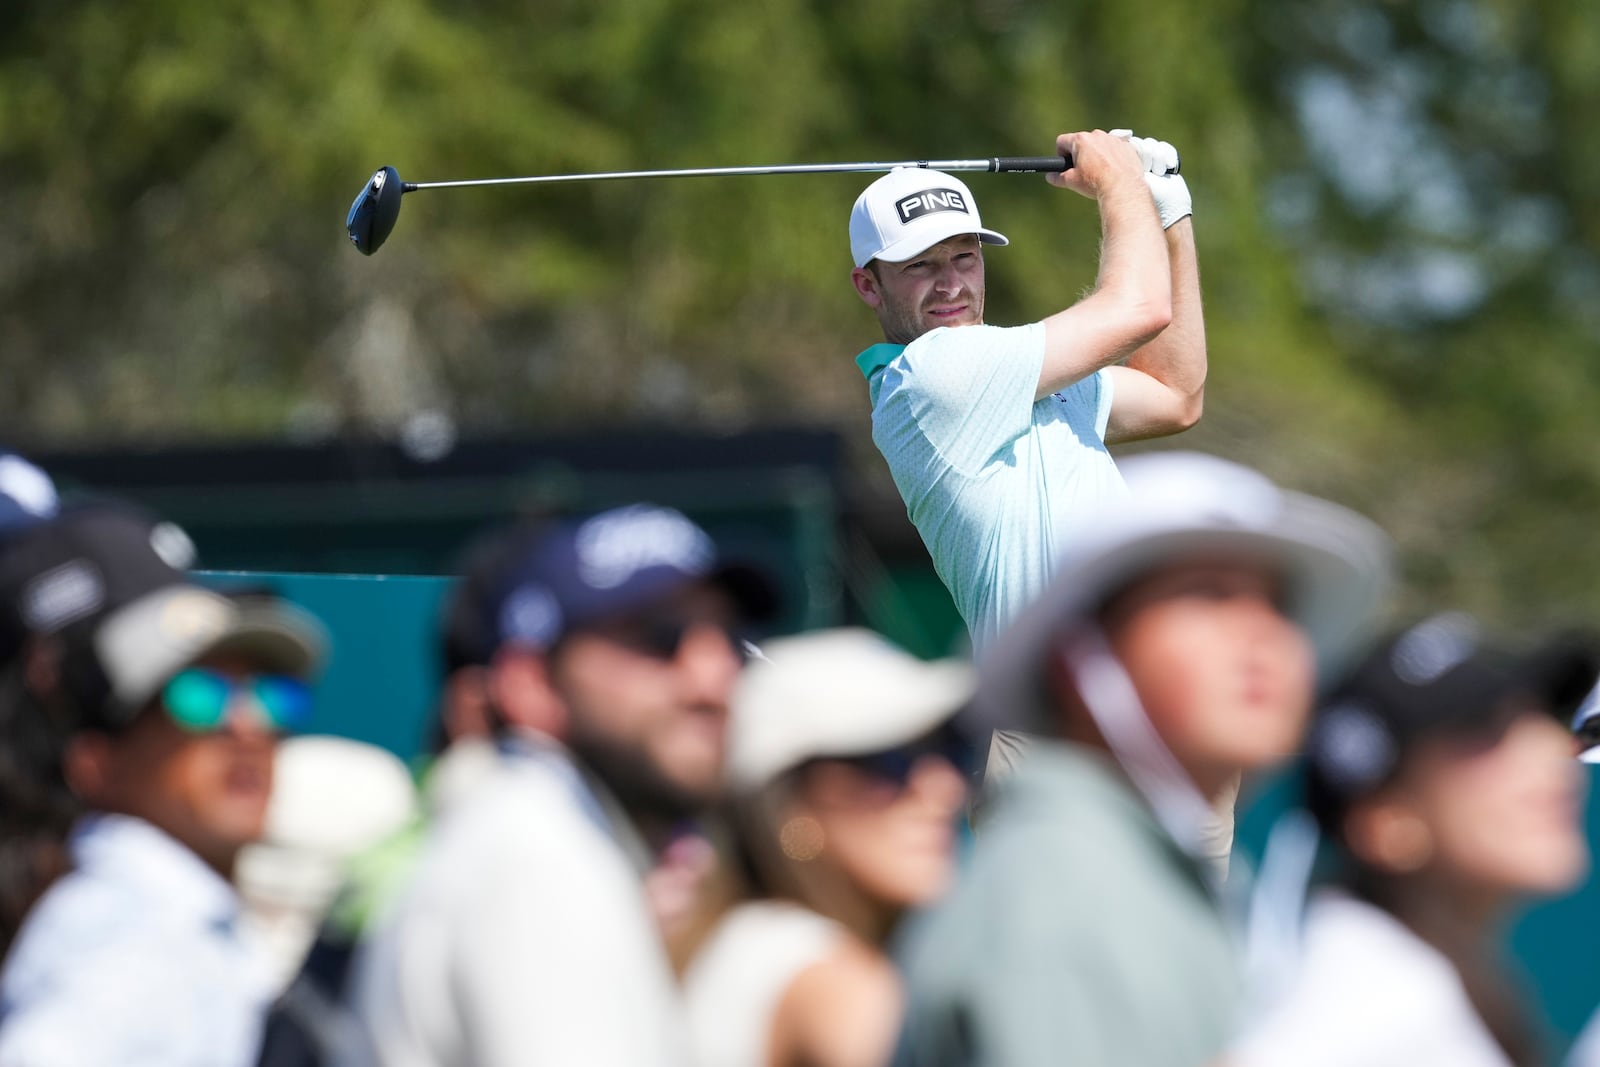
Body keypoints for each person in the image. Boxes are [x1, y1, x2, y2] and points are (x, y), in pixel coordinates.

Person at [891, 451, 1392, 1067]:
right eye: (1206, 595)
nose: (1262, 635)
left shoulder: (1121, 870)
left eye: (1277, 604)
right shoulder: (1064, 892)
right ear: (1077, 661)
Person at [342, 503, 777, 1067]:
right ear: (531, 686)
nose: (712, 680)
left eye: (727, 637)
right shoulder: (535, 859)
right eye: (661, 638)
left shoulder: (557, 838)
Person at [848, 129, 1203, 655]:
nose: (950, 284)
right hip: (1048, 713)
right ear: (869, 286)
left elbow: (1173, 395)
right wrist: (1119, 182)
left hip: (1121, 688)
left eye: (964, 257)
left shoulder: (1012, 373)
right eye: (920, 265)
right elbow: (1139, 309)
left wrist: (1167, 212)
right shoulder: (928, 376)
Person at [0, 502, 327, 1066]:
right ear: (93, 757)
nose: (246, 727)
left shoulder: (175, 916)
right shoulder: (125, 938)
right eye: (196, 697)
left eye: (273, 697)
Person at [1228, 613, 1600, 1067]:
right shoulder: (1379, 1002)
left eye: (1538, 716)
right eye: (1484, 733)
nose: (1549, 755)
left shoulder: (1408, 975)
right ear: (1387, 823)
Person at [681, 628, 974, 1067]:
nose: (943, 789)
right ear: (787, 804)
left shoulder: (745, 941)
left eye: (950, 748)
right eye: (888, 761)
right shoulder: (834, 984)